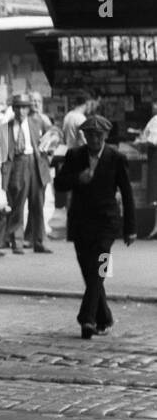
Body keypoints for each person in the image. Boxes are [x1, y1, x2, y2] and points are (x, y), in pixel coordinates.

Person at [54, 113, 136, 339]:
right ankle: (105, 317)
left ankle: (86, 319)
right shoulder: (74, 156)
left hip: (106, 224)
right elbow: (59, 183)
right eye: (90, 135)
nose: (94, 140)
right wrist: (77, 179)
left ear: (105, 136)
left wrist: (130, 227)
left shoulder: (116, 158)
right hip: (80, 223)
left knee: (99, 268)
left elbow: (127, 194)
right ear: (84, 136)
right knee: (88, 272)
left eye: (98, 135)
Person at [0, 93, 53, 254]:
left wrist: (50, 146)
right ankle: (17, 242)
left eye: (24, 107)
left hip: (36, 164)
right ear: (13, 109)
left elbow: (54, 135)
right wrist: (4, 175)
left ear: (29, 109)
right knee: (18, 204)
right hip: (18, 164)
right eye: (18, 107)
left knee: (38, 205)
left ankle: (39, 241)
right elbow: (2, 154)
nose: (21, 111)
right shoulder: (5, 128)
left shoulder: (37, 122)